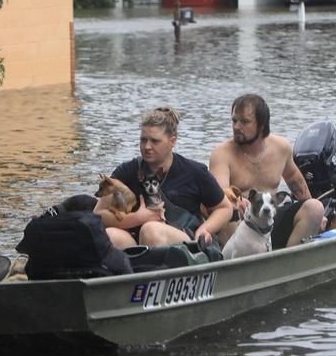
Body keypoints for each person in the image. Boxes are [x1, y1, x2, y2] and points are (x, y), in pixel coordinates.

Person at [94, 106, 232, 249]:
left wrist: (205, 229)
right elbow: (98, 213)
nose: (147, 146)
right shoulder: (126, 171)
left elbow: (224, 208)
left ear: (172, 141)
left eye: (154, 141)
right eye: (143, 140)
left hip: (183, 240)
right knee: (110, 236)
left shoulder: (195, 171)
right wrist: (136, 218)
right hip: (136, 240)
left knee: (151, 231)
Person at [209, 94, 325, 248]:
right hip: (241, 229)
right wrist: (237, 200)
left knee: (315, 207)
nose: (236, 126)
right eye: (234, 120)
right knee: (229, 213)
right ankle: (241, 266)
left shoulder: (281, 147)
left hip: (271, 220)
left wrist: (319, 217)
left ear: (262, 125)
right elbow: (219, 193)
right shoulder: (222, 153)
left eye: (244, 122)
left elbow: (295, 181)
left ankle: (288, 262)